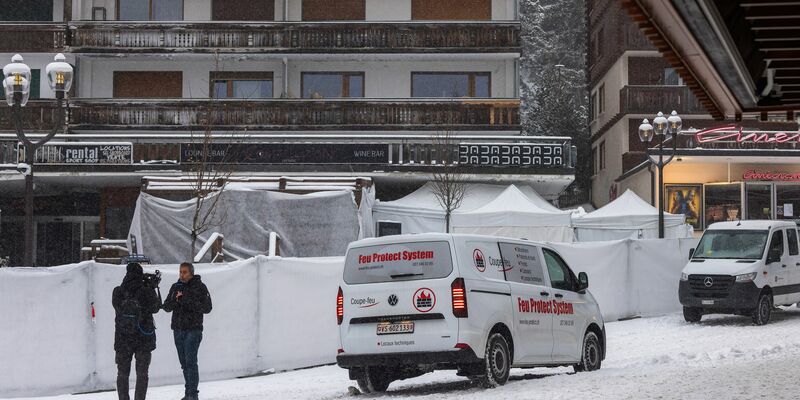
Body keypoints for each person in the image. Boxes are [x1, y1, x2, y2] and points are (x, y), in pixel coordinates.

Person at [163, 262, 212, 400]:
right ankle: (188, 392)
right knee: (184, 363)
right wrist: (174, 299)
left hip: (193, 329)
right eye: (180, 272)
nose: (181, 275)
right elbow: (166, 307)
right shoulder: (175, 287)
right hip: (178, 330)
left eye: (184, 272)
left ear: (191, 273)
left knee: (191, 363)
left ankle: (193, 394)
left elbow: (207, 307)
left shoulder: (199, 287)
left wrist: (186, 300)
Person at [112, 263, 162, 400]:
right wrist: (151, 287)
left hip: (123, 339)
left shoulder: (118, 291)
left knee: (122, 374)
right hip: (143, 339)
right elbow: (156, 307)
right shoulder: (145, 290)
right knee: (142, 374)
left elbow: (117, 308)